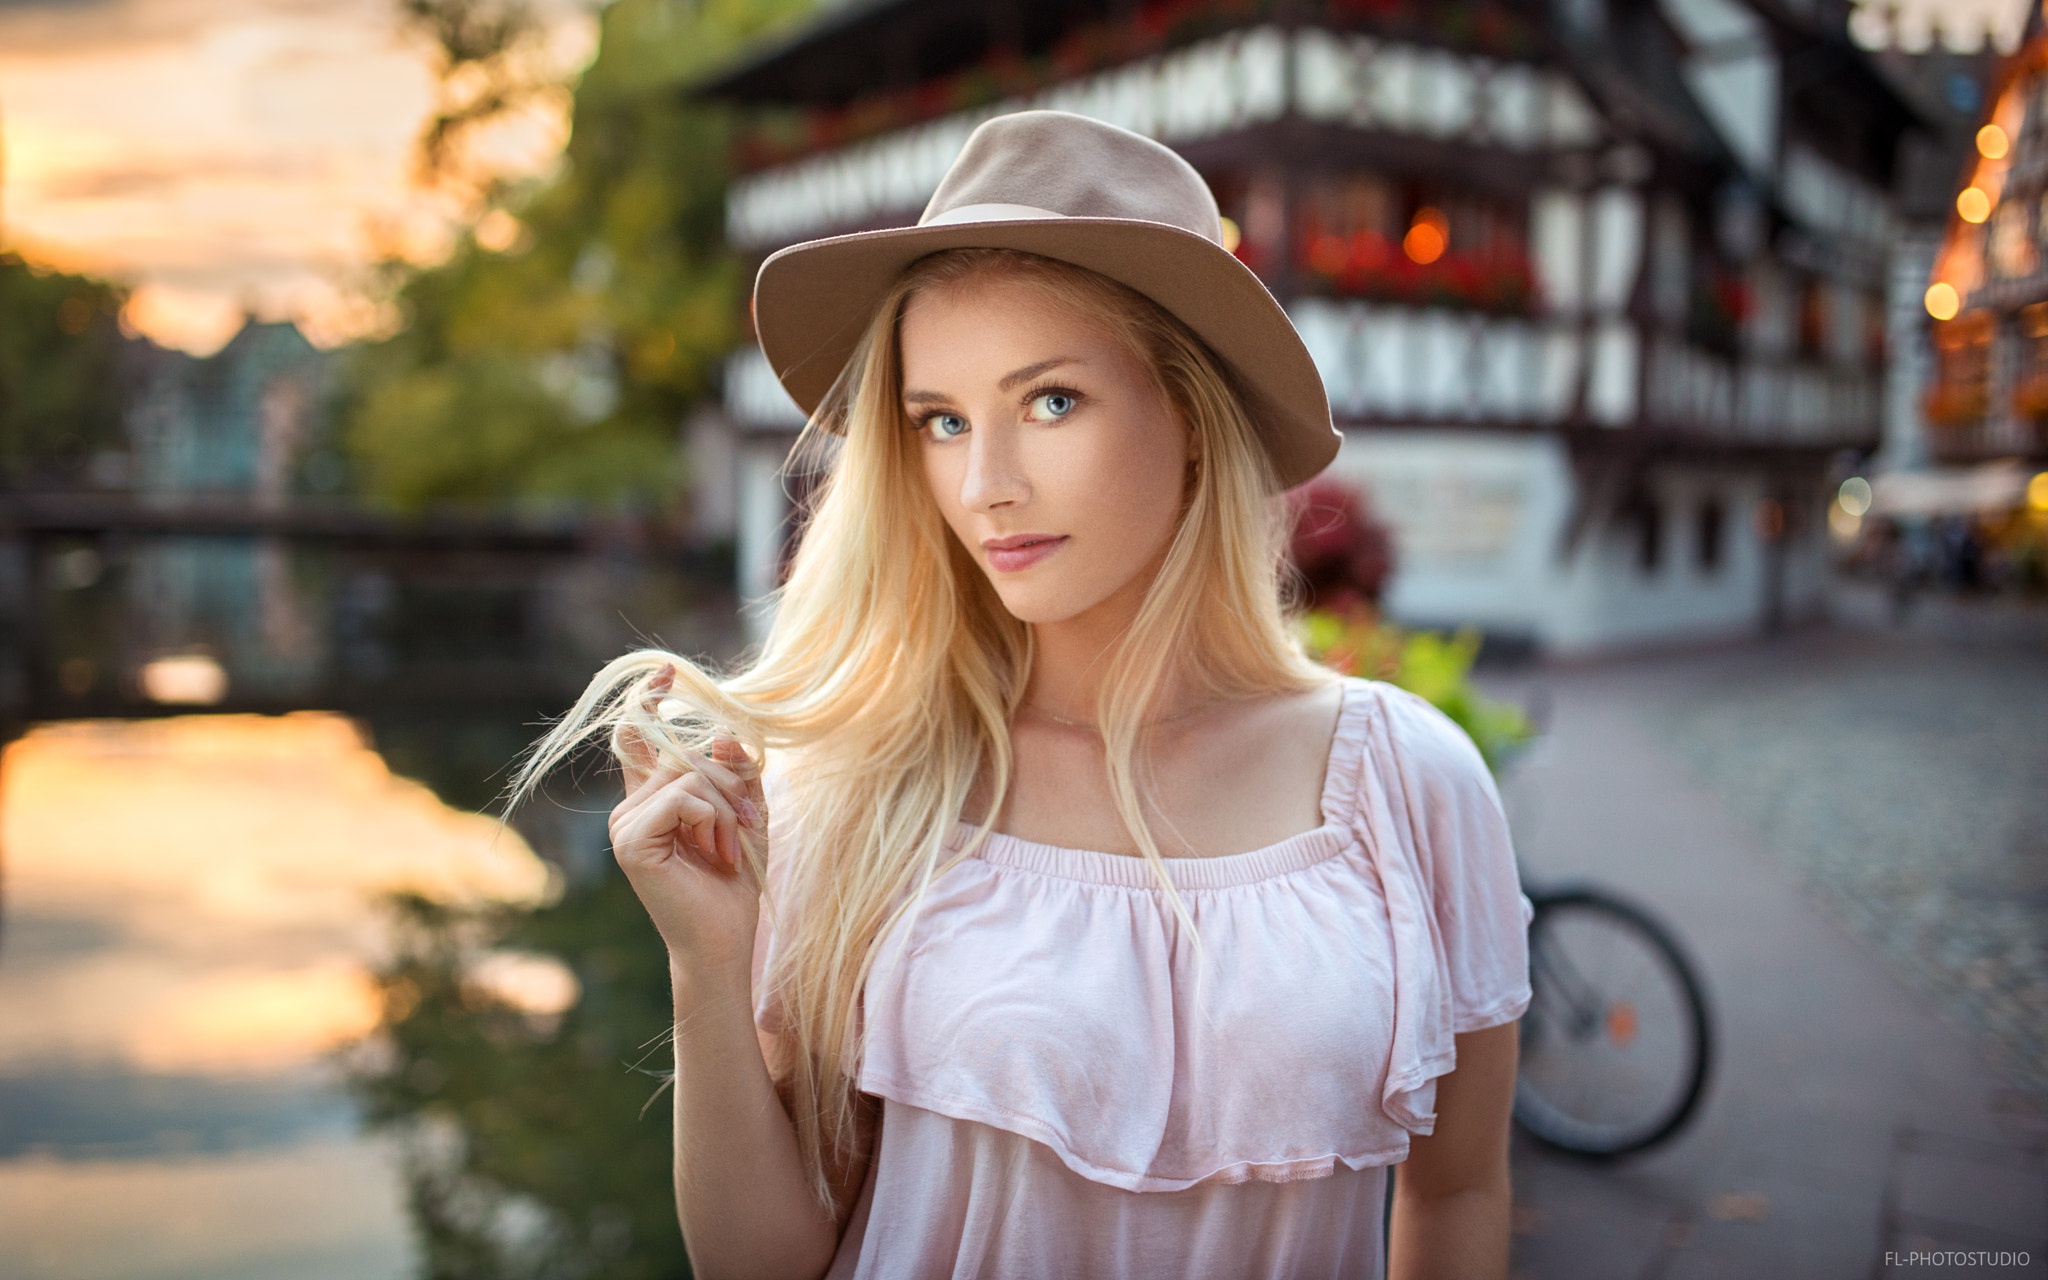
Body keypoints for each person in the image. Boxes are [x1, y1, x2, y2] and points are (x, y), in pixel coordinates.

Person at [508, 110, 1533, 1280]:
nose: (984, 485)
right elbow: (763, 1263)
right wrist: (705, 957)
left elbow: (1455, 1192)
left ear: (1193, 418)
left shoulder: (1406, 779)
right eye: (941, 421)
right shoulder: (857, 785)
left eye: (1049, 401)